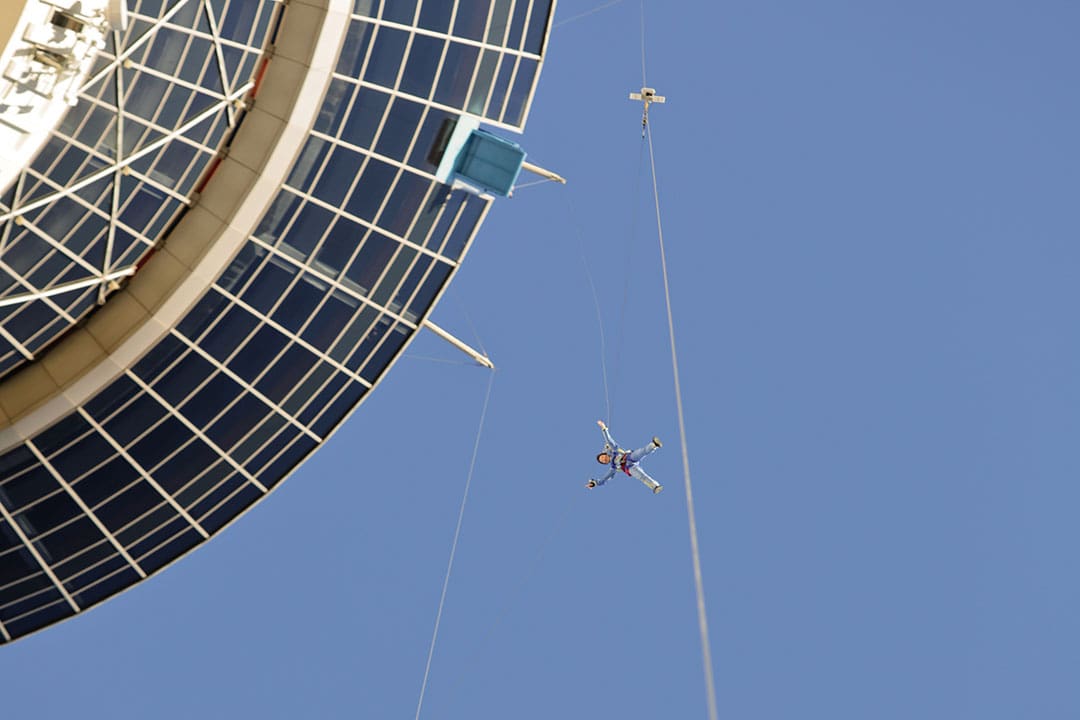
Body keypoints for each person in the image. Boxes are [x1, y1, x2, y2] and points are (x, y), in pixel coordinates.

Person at [586, 420, 663, 494]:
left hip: (629, 457)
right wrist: (594, 483)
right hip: (629, 467)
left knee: (642, 452)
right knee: (641, 476)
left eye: (602, 457)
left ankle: (654, 445)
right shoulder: (613, 468)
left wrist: (604, 428)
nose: (604, 459)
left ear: (605, 454)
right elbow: (604, 479)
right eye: (603, 461)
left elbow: (609, 441)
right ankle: (655, 486)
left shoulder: (614, 450)